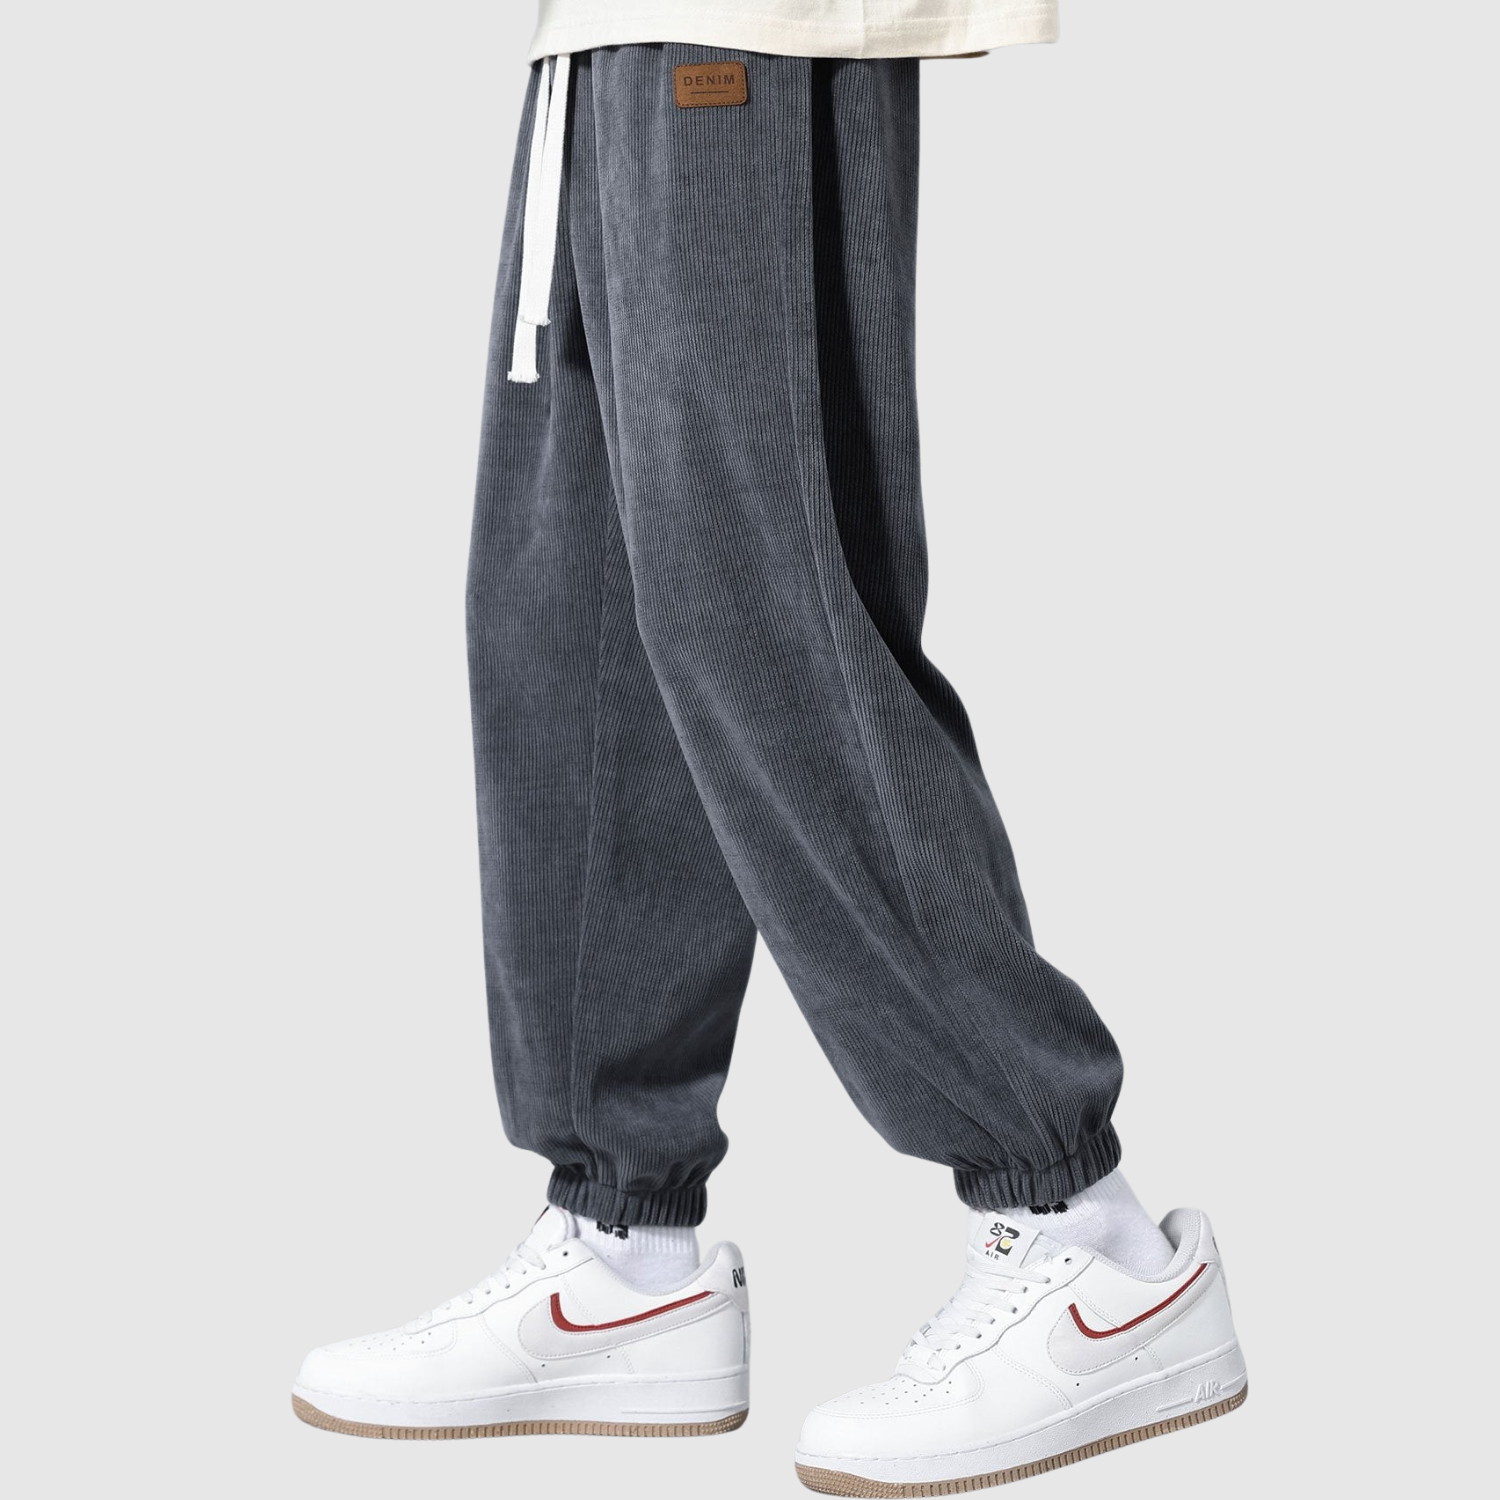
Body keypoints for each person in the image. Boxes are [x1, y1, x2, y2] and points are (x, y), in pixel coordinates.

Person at [293, 2, 1248, 1490]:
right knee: (569, 611)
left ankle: (1090, 1238)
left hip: (746, 21)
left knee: (756, 606)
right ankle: (622, 1253)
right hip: (603, 26)